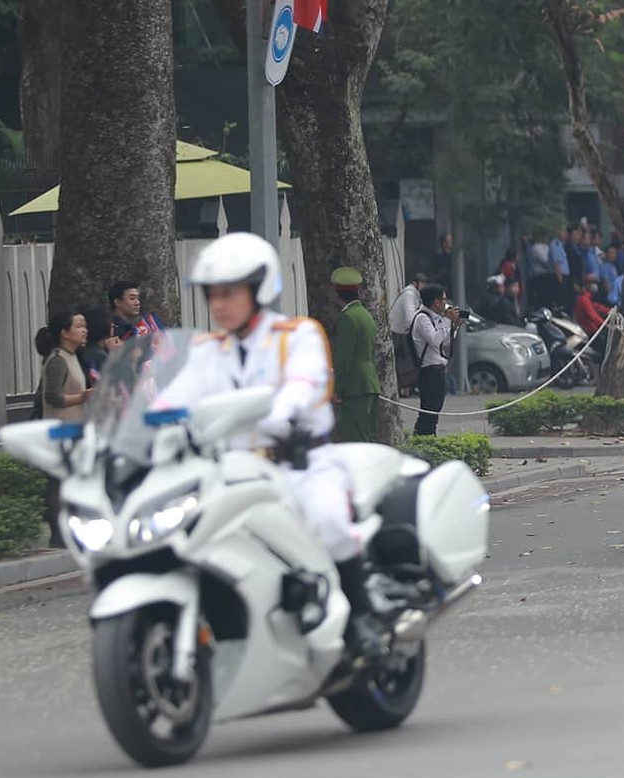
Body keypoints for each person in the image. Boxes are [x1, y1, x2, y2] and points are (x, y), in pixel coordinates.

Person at [154, 234, 386, 660]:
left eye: (229, 293)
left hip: (300, 463)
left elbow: (303, 382)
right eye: (212, 295)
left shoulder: (296, 335)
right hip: (235, 471)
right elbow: (177, 395)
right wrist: (149, 420)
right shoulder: (207, 350)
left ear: (258, 290)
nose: (219, 304)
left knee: (329, 521)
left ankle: (361, 617)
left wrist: (278, 411)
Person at [36, 309, 90, 547]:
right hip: (60, 428)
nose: (84, 330)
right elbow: (53, 397)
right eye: (78, 326)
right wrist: (83, 397)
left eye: (84, 326)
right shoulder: (57, 360)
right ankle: (58, 534)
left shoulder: (72, 356)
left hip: (74, 428)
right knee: (59, 482)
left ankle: (71, 530)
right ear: (64, 333)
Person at [329, 267, 382, 444]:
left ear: (337, 294)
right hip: (369, 383)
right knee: (367, 436)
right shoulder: (365, 315)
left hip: (354, 386)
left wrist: (337, 388)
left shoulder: (348, 317)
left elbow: (344, 358)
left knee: (355, 439)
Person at [410, 284, 457, 436]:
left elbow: (444, 343)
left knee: (434, 411)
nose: (446, 304)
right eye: (443, 299)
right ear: (436, 302)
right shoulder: (422, 318)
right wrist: (447, 320)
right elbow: (435, 341)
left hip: (438, 370)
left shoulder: (435, 318)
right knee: (429, 411)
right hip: (429, 371)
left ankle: (427, 437)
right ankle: (423, 437)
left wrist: (453, 327)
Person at [388, 271, 426, 397]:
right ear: (416, 283)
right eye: (422, 283)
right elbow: (410, 317)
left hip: (401, 332)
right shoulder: (409, 294)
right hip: (396, 333)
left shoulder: (415, 295)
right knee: (403, 363)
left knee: (405, 362)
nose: (424, 286)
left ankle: (405, 387)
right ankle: (402, 387)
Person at [574, 273, 612, 339]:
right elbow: (592, 315)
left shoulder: (588, 298)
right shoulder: (584, 299)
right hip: (589, 332)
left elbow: (598, 307)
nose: (595, 286)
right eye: (593, 283)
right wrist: (604, 324)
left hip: (592, 331)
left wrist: (610, 311)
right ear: (587, 285)